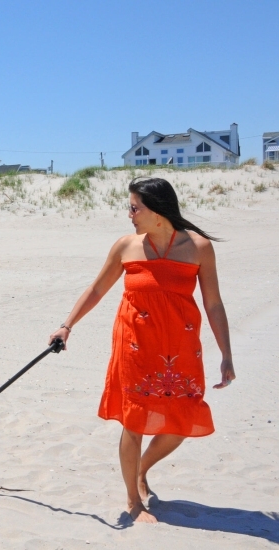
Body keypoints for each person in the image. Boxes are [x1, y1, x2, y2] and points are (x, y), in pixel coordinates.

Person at [48, 177, 235, 524]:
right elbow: (97, 289)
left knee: (181, 420)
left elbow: (214, 303)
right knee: (134, 422)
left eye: (135, 207)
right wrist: (67, 325)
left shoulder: (198, 248)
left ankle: (141, 470)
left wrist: (226, 354)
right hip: (134, 346)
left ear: (158, 210)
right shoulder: (126, 247)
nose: (130, 214)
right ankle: (134, 501)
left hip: (181, 348)